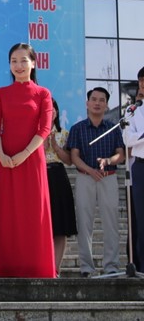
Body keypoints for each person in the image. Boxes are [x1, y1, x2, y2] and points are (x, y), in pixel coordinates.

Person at [0, 42, 54, 278]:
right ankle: (4, 265)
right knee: (6, 212)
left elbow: (45, 129)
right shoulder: (1, 93)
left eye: (24, 60)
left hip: (31, 161)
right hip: (6, 162)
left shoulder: (43, 93)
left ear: (33, 63)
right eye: (14, 61)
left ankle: (37, 266)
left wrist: (23, 155)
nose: (19, 65)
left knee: (33, 213)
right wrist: (2, 156)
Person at [66, 86, 125, 277]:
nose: (97, 103)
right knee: (84, 223)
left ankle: (111, 266)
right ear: (87, 103)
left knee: (111, 223)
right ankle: (86, 267)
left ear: (107, 105)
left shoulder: (113, 128)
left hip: (108, 178)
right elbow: (74, 156)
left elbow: (121, 154)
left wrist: (108, 161)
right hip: (85, 178)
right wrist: (90, 170)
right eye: (94, 99)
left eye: (102, 100)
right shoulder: (78, 128)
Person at [46, 98, 76, 276]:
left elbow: (69, 161)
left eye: (54, 108)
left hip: (58, 176)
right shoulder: (34, 133)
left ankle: (55, 268)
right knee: (43, 225)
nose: (52, 111)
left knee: (61, 226)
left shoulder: (64, 133)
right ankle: (42, 265)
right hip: (40, 177)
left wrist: (55, 146)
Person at [123, 67, 144, 274]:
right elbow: (128, 139)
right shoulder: (132, 111)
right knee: (141, 220)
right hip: (141, 167)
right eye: (141, 81)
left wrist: (140, 137)